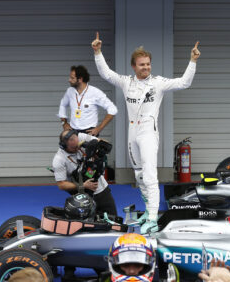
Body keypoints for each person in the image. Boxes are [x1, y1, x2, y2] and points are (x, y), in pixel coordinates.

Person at [91, 31, 201, 234]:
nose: (146, 67)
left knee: (150, 175)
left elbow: (184, 83)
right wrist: (97, 52)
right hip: (132, 131)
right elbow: (106, 74)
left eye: (148, 64)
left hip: (148, 132)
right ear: (134, 66)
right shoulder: (126, 82)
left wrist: (192, 61)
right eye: (142, 64)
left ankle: (152, 216)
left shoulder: (158, 83)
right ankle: (147, 210)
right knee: (139, 174)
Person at [52, 129, 117, 217]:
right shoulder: (59, 159)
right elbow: (61, 185)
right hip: (81, 195)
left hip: (101, 189)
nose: (77, 149)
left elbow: (106, 145)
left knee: (113, 218)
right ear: (64, 146)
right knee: (88, 223)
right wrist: (83, 185)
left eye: (77, 145)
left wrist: (93, 146)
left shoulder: (80, 136)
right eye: (73, 148)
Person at [58, 65, 117, 136]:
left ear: (80, 79)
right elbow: (63, 105)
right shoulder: (70, 91)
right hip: (73, 132)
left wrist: (99, 128)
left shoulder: (95, 92)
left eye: (72, 78)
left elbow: (112, 109)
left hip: (89, 133)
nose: (69, 80)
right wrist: (64, 123)